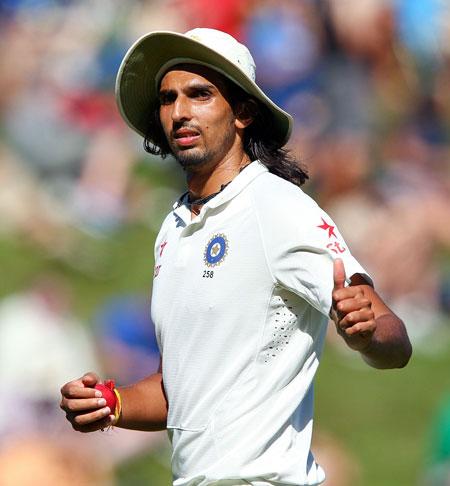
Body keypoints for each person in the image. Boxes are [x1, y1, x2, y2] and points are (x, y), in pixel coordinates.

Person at [60, 28, 412, 485]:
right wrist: (114, 404)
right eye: (168, 99)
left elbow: (395, 342)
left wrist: (366, 333)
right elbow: (182, 392)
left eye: (199, 94)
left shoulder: (276, 206)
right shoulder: (172, 228)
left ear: (243, 112)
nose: (180, 112)